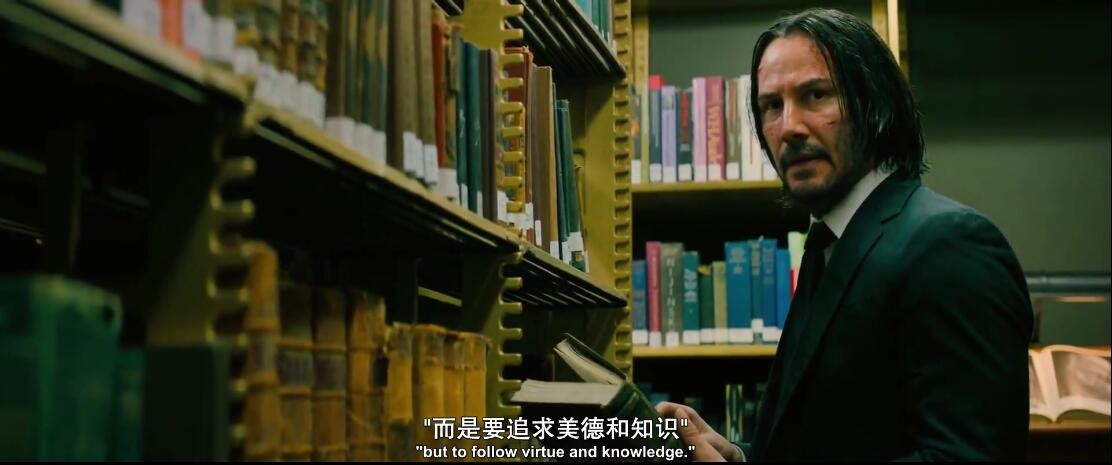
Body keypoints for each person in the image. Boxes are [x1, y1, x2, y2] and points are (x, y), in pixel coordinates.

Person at [656, 8, 1034, 461]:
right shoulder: (828, 247)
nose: (789, 127)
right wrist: (738, 455)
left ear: (874, 105)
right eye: (771, 106)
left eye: (816, 95)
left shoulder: (950, 245)